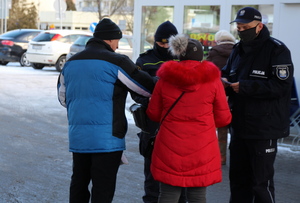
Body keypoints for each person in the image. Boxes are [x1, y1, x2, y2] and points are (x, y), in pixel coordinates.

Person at [57, 18, 155, 203]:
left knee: (79, 183)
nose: (118, 45)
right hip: (108, 138)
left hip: (79, 137)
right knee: (103, 188)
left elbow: (63, 98)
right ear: (110, 40)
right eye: (117, 40)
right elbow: (145, 88)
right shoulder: (117, 61)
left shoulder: (71, 63)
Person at [146, 34, 232, 203]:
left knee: (168, 194)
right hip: (202, 147)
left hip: (169, 146)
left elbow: (154, 114)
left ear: (179, 54)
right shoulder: (214, 81)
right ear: (201, 56)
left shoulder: (164, 80)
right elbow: (223, 119)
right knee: (197, 196)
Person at [221, 7, 294, 203]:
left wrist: (244, 87)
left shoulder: (277, 50)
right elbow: (227, 73)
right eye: (239, 26)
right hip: (239, 126)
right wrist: (222, 82)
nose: (241, 30)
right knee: (238, 181)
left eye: (245, 27)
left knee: (260, 183)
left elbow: (281, 86)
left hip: (264, 128)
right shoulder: (237, 49)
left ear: (259, 26)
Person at [132, 21, 187, 203]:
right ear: (155, 42)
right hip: (153, 125)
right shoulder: (144, 60)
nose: (164, 47)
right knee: (153, 179)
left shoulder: (185, 59)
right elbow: (136, 91)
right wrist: (149, 100)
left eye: (167, 44)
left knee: (180, 179)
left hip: (180, 126)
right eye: (161, 43)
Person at [206, 30, 236, 165]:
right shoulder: (239, 51)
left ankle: (220, 156)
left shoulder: (214, 52)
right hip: (236, 92)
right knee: (234, 124)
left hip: (217, 92)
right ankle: (236, 154)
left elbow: (205, 71)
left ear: (218, 40)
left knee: (216, 124)